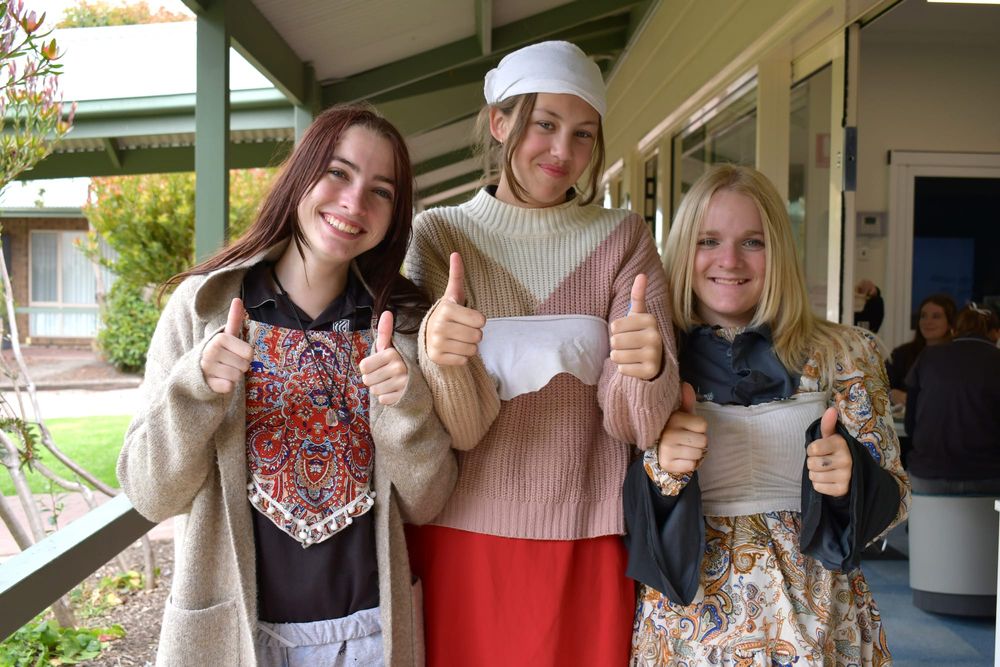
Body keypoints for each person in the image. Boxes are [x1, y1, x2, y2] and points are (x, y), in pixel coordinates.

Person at [116, 105, 457, 666]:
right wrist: (195, 388)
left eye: (381, 191)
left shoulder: (402, 324)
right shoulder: (202, 307)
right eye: (339, 172)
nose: (354, 202)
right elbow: (150, 494)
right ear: (301, 173)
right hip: (235, 637)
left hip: (370, 635)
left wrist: (407, 406)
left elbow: (428, 502)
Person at [403, 41, 679, 666]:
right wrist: (441, 360)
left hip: (589, 533)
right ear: (500, 122)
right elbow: (449, 428)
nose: (563, 151)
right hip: (459, 534)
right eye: (545, 124)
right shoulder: (438, 235)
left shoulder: (624, 238)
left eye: (583, 134)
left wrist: (649, 370)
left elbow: (637, 424)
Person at [627, 164, 909, 665]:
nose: (729, 260)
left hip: (819, 624)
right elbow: (612, 505)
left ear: (778, 250)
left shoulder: (846, 353)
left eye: (752, 242)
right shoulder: (655, 361)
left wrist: (850, 481)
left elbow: (897, 502)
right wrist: (663, 471)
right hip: (691, 634)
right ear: (684, 249)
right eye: (708, 240)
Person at [905, 304, 1000, 494]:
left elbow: (910, 426)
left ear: (954, 330)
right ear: (996, 333)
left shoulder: (928, 356)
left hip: (927, 475)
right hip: (989, 476)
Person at [886, 293, 956, 407]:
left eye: (936, 316)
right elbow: (873, 385)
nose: (928, 322)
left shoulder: (958, 357)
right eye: (923, 316)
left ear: (950, 323)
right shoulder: (902, 354)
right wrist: (891, 393)